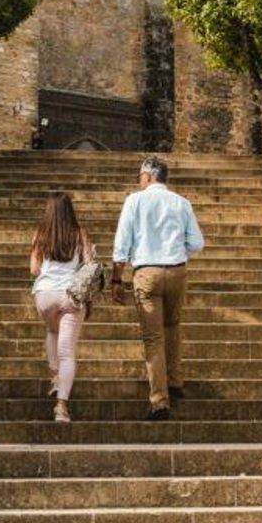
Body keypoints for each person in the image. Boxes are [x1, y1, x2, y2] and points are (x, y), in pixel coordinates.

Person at [111, 155, 205, 421]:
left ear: (149, 176)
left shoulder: (135, 201)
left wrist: (116, 279)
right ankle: (175, 381)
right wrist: (174, 249)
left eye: (140, 175)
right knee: (173, 327)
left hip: (147, 272)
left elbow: (121, 247)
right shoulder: (181, 202)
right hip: (177, 271)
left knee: (153, 337)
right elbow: (197, 243)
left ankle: (159, 400)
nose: (139, 180)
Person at [30, 191, 96, 423]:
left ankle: (55, 378)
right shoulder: (80, 234)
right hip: (70, 295)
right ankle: (61, 407)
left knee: (51, 331)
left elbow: (34, 269)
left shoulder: (41, 234)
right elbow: (89, 269)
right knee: (67, 352)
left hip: (45, 295)